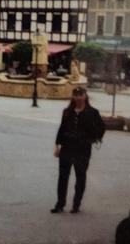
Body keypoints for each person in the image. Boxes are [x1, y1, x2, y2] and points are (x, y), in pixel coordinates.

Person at [51, 86, 105, 214]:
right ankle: (60, 204)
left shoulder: (92, 112)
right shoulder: (67, 112)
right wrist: (57, 144)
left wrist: (94, 138)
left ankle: (76, 203)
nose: (78, 97)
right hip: (67, 147)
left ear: (85, 96)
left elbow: (101, 128)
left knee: (80, 176)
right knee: (63, 177)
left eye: (81, 95)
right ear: (73, 97)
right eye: (76, 95)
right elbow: (62, 128)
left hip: (82, 148)